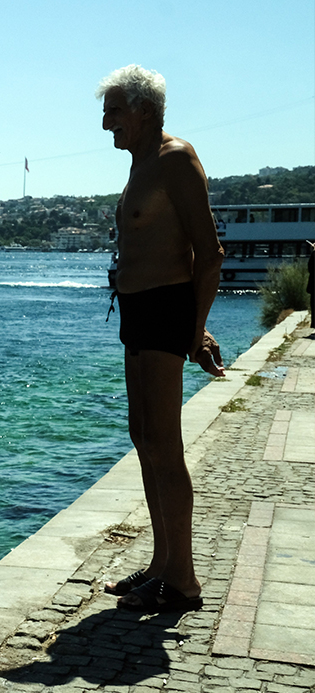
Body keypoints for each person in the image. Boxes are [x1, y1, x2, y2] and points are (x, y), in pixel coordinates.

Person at [96, 65, 225, 613]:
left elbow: (209, 251)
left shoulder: (176, 158)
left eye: (115, 111)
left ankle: (185, 579)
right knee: (143, 437)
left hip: (164, 309)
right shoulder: (139, 165)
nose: (107, 125)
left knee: (165, 443)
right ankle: (161, 564)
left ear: (144, 110)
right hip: (136, 311)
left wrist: (194, 331)